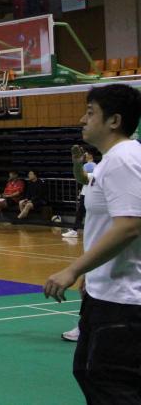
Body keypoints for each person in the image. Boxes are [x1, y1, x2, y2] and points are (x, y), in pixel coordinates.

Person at [44, 84, 141, 403]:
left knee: (112, 386)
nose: (82, 119)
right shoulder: (109, 162)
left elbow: (130, 226)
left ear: (114, 120)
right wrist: (93, 270)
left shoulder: (124, 159)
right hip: (107, 292)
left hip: (124, 302)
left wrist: (72, 269)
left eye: (90, 112)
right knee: (88, 372)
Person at [63, 146, 97, 342]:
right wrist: (77, 163)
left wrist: (74, 270)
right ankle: (85, 326)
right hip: (94, 250)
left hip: (107, 250)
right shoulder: (101, 171)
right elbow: (83, 177)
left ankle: (85, 327)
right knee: (88, 289)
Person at [64, 150, 96, 240]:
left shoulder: (90, 165)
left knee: (82, 212)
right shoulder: (95, 166)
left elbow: (83, 177)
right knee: (82, 212)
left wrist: (78, 164)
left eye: (86, 154)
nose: (85, 155)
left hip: (88, 193)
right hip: (86, 192)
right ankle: (75, 230)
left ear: (90, 155)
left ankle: (75, 230)